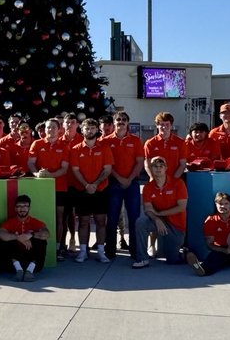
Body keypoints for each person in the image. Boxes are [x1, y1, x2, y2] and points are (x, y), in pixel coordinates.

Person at [70, 117, 113, 264]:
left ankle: (101, 251)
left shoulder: (104, 148)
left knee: (101, 221)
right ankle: (83, 251)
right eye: (87, 128)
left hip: (100, 190)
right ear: (82, 130)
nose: (90, 131)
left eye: (93, 128)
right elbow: (75, 170)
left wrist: (95, 184)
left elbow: (107, 169)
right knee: (83, 221)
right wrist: (86, 185)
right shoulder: (76, 149)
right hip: (82, 190)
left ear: (97, 130)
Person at [134, 156, 188, 268]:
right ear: (150, 168)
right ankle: (142, 259)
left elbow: (182, 207)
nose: (158, 169)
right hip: (159, 221)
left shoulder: (178, 183)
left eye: (161, 166)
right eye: (155, 166)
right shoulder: (148, 187)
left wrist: (159, 214)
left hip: (175, 225)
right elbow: (148, 209)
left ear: (166, 168)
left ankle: (185, 254)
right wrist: (157, 219)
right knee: (141, 223)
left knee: (172, 260)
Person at [28, 118, 70, 258]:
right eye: (47, 127)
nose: (49, 130)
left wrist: (50, 175)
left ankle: (58, 248)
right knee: (40, 215)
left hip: (60, 187)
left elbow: (64, 168)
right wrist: (36, 174)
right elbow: (31, 163)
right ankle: (39, 244)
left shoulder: (64, 146)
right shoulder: (37, 144)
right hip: (41, 187)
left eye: (53, 127)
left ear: (59, 130)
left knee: (59, 217)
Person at [104, 111, 143, 261]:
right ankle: (110, 251)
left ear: (128, 123)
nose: (121, 122)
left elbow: (139, 162)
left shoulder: (135, 140)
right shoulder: (106, 141)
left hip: (132, 183)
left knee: (134, 218)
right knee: (112, 218)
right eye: (118, 119)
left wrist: (129, 179)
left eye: (124, 120)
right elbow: (107, 165)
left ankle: (135, 251)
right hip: (114, 183)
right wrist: (120, 178)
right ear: (114, 122)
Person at [186, 192, 230, 276]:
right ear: (216, 204)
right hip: (223, 251)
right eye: (220, 204)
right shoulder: (211, 220)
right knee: (215, 256)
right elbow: (209, 245)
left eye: (226, 204)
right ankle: (201, 269)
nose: (223, 206)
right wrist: (225, 250)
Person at [0, 194, 49, 280]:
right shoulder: (10, 222)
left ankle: (29, 271)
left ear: (29, 208)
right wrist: (18, 237)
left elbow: (46, 233)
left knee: (41, 240)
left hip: (33, 261)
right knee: (3, 241)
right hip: (14, 262)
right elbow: (1, 234)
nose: (22, 209)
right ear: (15, 208)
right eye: (19, 206)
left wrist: (31, 235)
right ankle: (19, 270)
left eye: (25, 206)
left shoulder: (35, 222)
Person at [143, 111, 186, 180]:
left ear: (171, 126)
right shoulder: (150, 143)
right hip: (156, 181)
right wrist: (153, 178)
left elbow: (182, 164)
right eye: (162, 124)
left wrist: (173, 180)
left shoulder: (180, 142)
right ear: (157, 125)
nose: (164, 127)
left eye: (167, 124)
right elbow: (147, 164)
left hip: (174, 181)